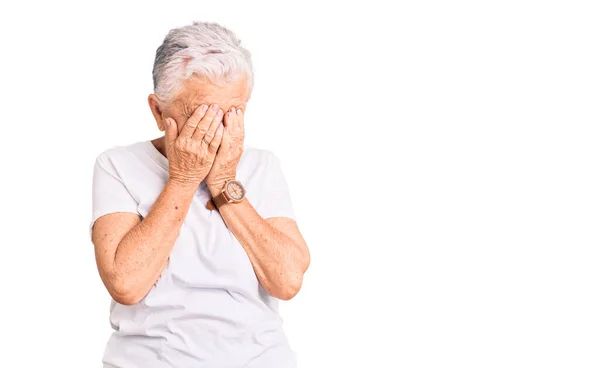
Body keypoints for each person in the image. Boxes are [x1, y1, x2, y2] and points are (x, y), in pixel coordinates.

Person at [89, 21, 310, 368]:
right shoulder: (118, 165)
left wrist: (224, 182)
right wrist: (183, 178)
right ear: (158, 111)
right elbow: (126, 285)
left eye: (233, 112)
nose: (218, 130)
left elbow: (287, 281)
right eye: (201, 115)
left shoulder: (262, 165)